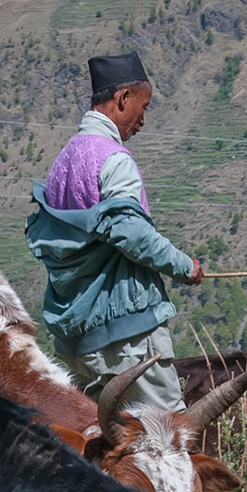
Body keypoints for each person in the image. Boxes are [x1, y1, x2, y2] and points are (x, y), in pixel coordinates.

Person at [25, 51, 204, 412]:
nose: (143, 120)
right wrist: (184, 267)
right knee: (168, 439)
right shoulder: (114, 159)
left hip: (79, 343)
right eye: (144, 106)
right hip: (129, 338)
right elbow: (131, 232)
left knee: (107, 447)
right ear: (123, 98)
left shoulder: (62, 163)